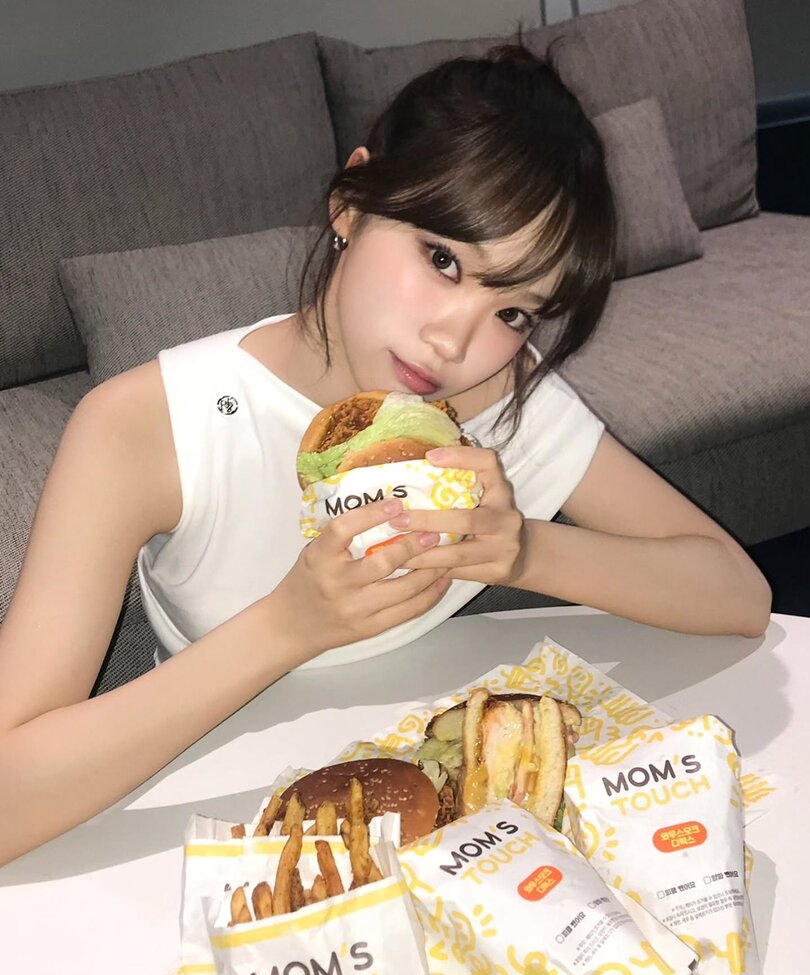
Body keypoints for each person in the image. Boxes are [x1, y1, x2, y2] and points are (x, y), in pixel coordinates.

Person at [0, 46, 770, 865]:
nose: (455, 342)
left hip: (437, 806)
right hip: (215, 809)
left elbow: (738, 594)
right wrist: (288, 627)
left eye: (514, 311)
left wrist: (525, 551)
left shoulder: (495, 395)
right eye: (443, 260)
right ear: (350, 204)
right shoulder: (146, 423)